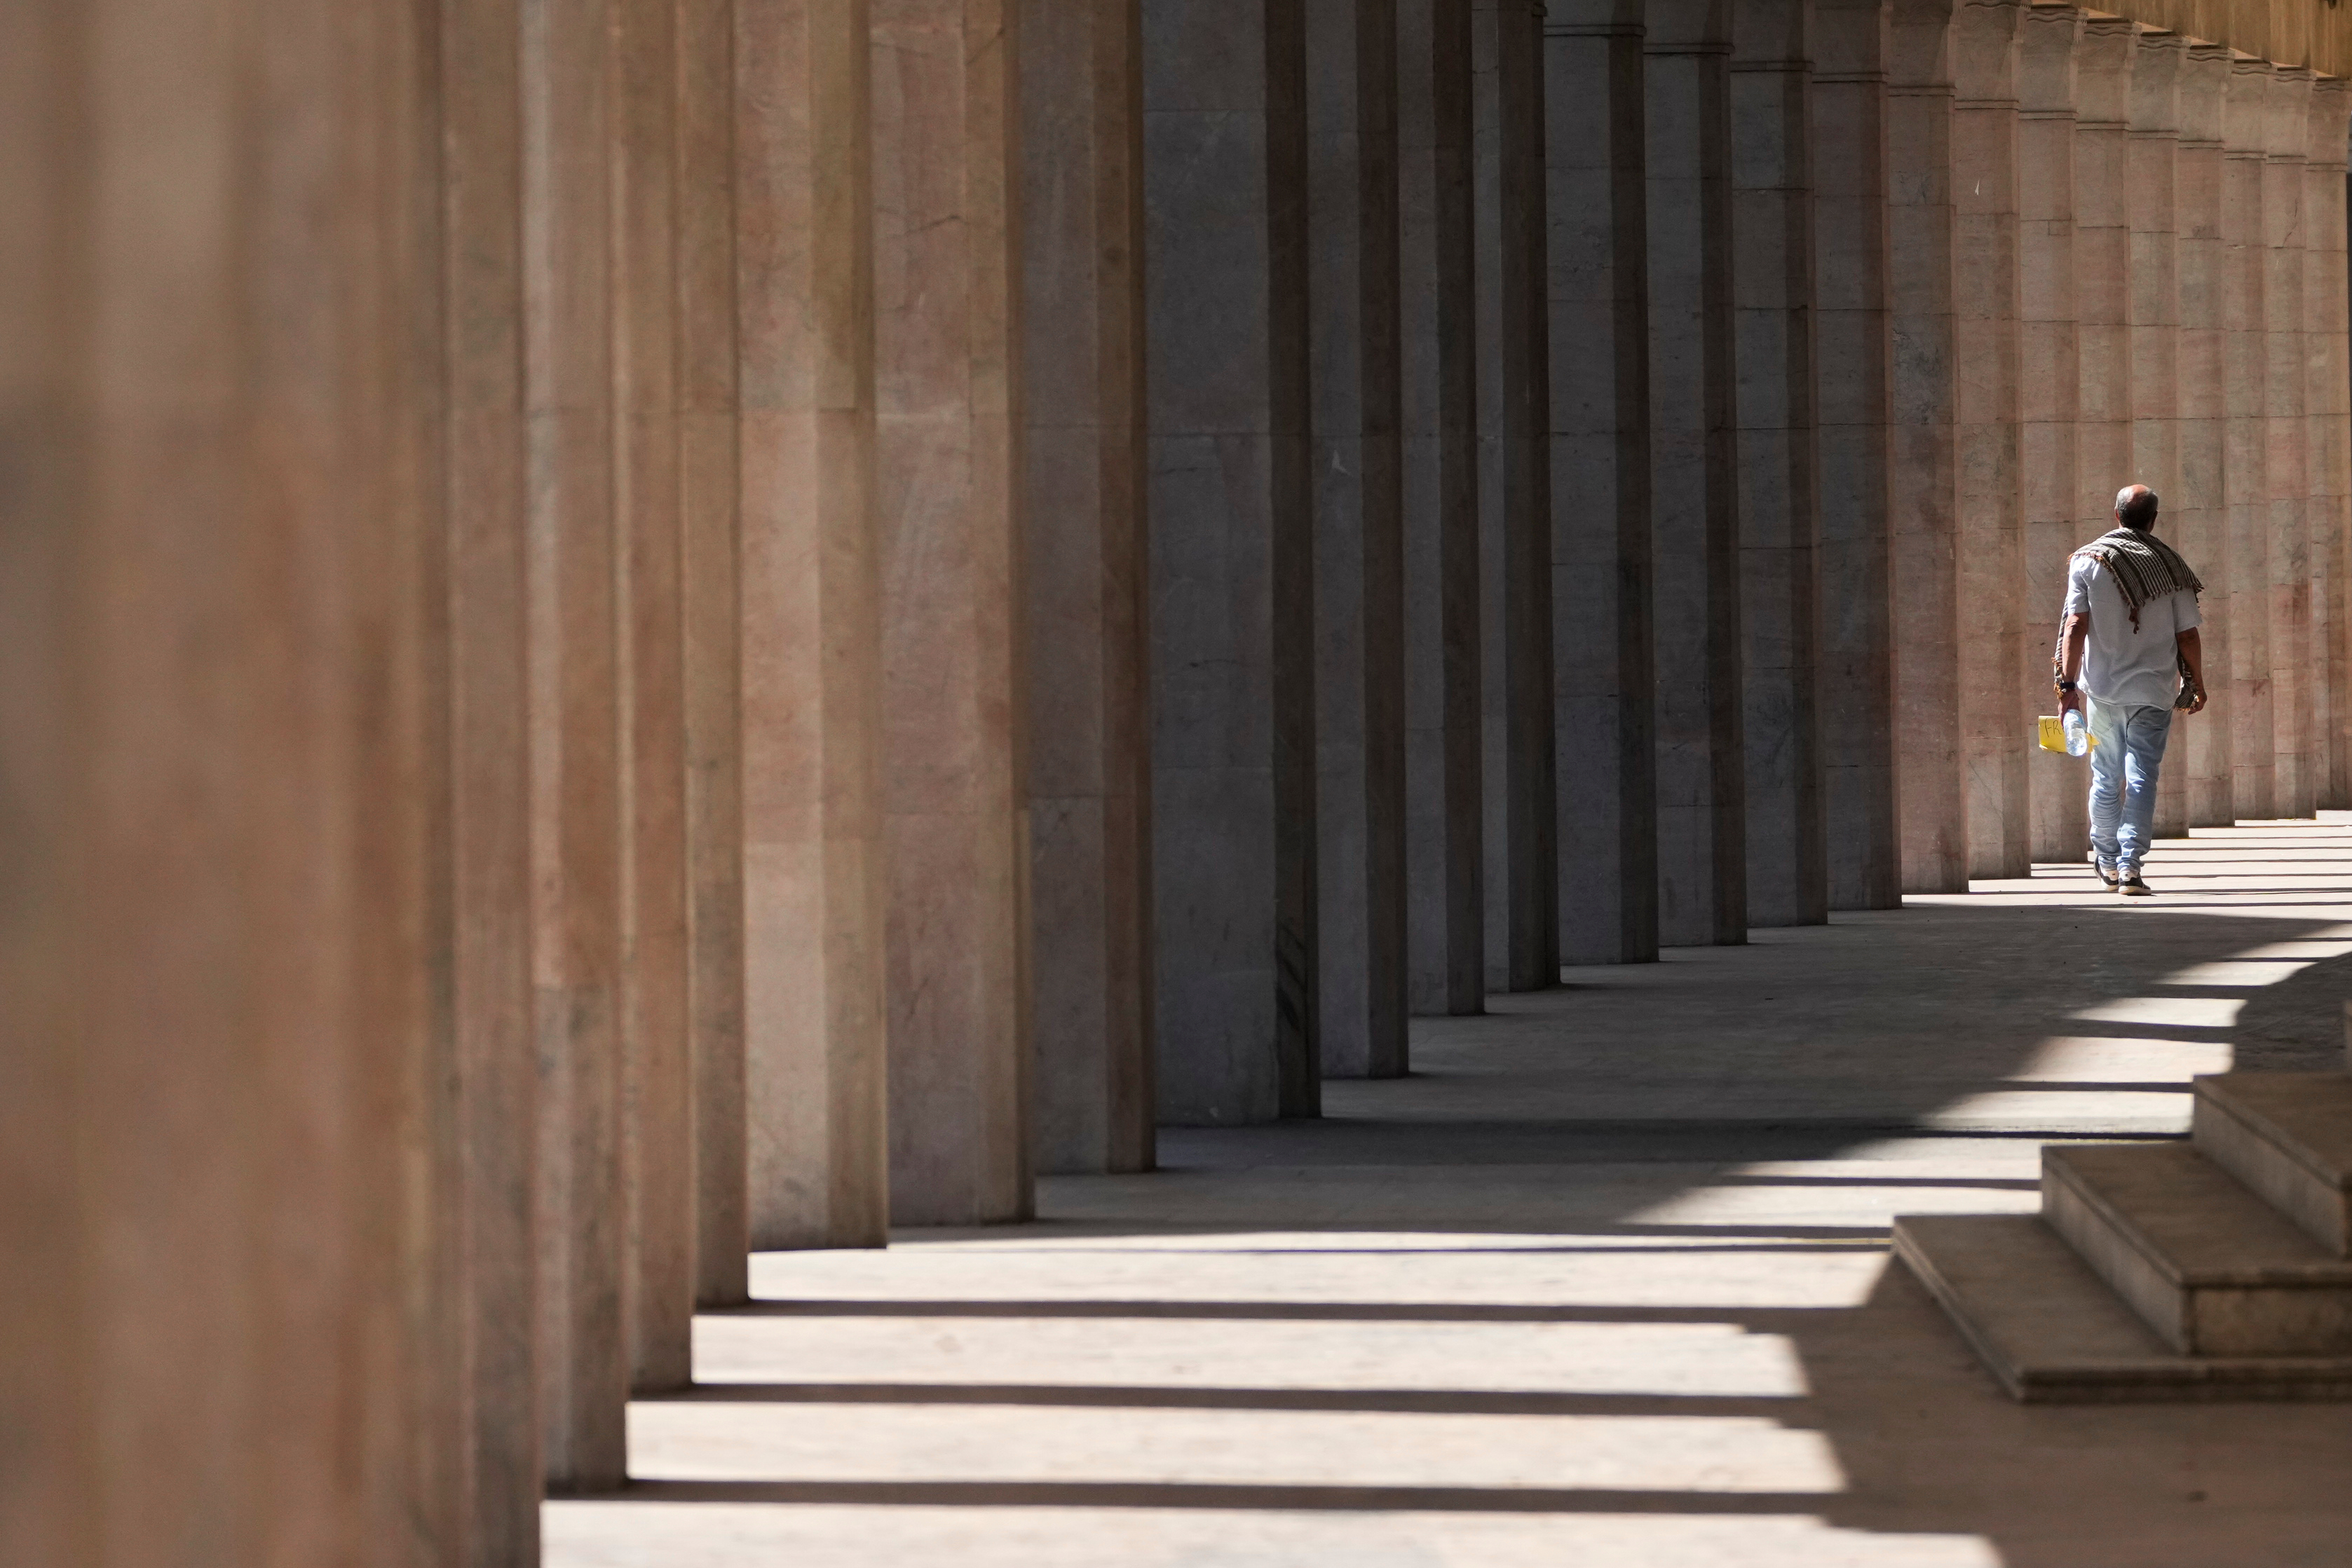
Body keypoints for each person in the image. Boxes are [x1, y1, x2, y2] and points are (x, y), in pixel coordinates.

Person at [2053, 484, 2208, 896]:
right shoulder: (2170, 568)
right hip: (2155, 691)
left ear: (2116, 515)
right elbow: (2188, 636)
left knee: (2105, 778)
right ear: (2153, 521)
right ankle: (2129, 868)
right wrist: (2197, 682)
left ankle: (2105, 860)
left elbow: (2074, 625)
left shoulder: (2087, 562)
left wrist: (2067, 686)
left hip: (2103, 691)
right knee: (2142, 779)